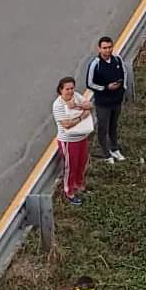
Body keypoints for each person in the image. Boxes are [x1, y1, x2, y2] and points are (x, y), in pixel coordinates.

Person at [85, 35, 127, 163]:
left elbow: (124, 74)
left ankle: (114, 148)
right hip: (103, 103)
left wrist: (123, 89)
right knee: (103, 127)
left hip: (117, 101)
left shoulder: (118, 60)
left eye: (109, 47)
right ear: (99, 49)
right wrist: (106, 88)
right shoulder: (95, 64)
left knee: (114, 125)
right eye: (104, 48)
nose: (107, 50)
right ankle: (105, 153)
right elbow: (89, 83)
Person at [53, 76, 94, 206]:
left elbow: (89, 105)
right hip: (68, 141)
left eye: (72, 88)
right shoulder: (58, 105)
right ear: (61, 90)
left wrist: (76, 105)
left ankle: (79, 185)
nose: (70, 91)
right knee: (70, 167)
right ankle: (69, 191)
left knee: (82, 163)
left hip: (81, 138)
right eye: (67, 89)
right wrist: (81, 116)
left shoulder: (76, 97)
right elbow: (67, 124)